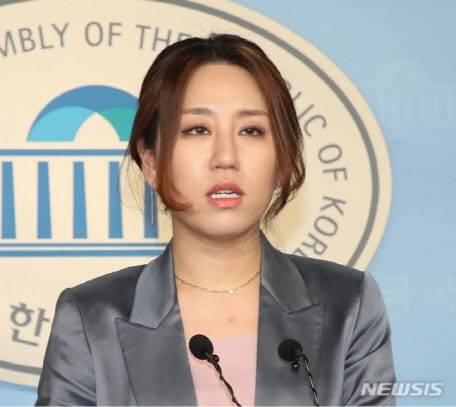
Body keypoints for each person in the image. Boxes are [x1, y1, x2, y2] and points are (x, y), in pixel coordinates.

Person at [35, 33, 396, 406]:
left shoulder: (348, 304)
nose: (226, 157)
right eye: (198, 130)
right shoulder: (91, 317)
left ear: (282, 160)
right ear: (151, 162)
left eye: (251, 131)